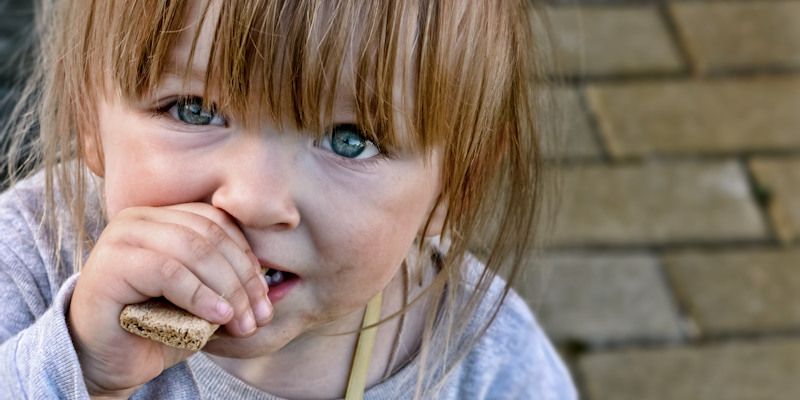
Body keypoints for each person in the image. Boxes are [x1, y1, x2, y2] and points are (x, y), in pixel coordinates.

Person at [0, 0, 576, 399]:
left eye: (350, 140)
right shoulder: (30, 261)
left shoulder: (487, 363)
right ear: (89, 122)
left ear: (455, 184)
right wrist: (80, 368)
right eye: (193, 109)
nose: (252, 199)